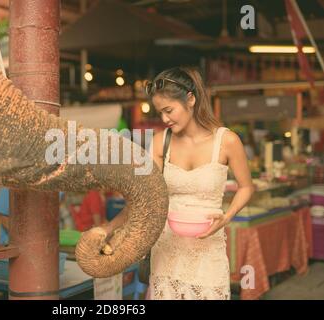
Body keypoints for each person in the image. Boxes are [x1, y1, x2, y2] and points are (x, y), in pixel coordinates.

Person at [102, 67, 254, 300]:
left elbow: (246, 187)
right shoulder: (160, 142)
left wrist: (227, 216)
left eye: (169, 110)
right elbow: (145, 197)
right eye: (160, 112)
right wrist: (108, 229)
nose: (164, 119)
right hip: (167, 251)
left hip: (208, 252)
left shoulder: (227, 141)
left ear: (190, 99)